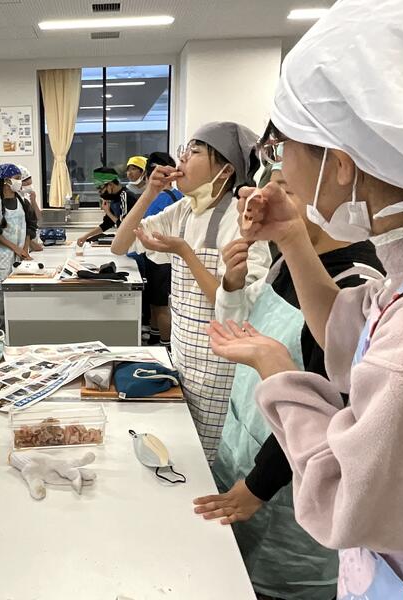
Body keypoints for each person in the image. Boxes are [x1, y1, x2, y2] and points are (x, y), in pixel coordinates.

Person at [205, 1, 403, 597]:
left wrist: (278, 370)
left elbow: (351, 504)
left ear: (341, 165)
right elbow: (352, 338)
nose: (277, 168)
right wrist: (293, 239)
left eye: (283, 148)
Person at [195, 157, 383, 600]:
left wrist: (257, 486)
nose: (265, 201)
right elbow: (240, 332)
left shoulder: (355, 284)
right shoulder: (289, 263)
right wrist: (232, 284)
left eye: (286, 189)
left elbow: (330, 414)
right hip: (241, 453)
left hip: (286, 485)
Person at [111, 122, 270, 463]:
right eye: (184, 150)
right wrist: (149, 194)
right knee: (184, 454)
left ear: (226, 169)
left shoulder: (241, 220)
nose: (182, 158)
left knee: (209, 462)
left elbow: (235, 312)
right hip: (183, 357)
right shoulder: (184, 210)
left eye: (195, 152)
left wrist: (184, 252)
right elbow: (120, 244)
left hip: (220, 371)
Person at [0, 163, 37, 327]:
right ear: (6, 181)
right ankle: (4, 328)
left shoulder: (24, 203)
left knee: (23, 292)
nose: (20, 182)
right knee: (5, 295)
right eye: (17, 178)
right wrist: (16, 248)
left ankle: (22, 326)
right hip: (2, 255)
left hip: (21, 255)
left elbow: (30, 226)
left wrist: (25, 249)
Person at [141, 151, 183, 348]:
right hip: (169, 258)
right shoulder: (180, 197)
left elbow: (143, 227)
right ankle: (155, 336)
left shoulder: (159, 199)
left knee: (161, 305)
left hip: (161, 259)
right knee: (157, 303)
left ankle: (165, 347)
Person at [77, 167, 139, 247]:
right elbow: (107, 224)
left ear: (110, 184)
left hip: (135, 242)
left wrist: (108, 212)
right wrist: (85, 236)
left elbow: (123, 226)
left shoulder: (125, 196)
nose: (100, 192)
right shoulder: (114, 198)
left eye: (100, 188)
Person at [17, 164, 44, 252]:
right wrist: (32, 244)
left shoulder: (25, 200)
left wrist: (33, 201)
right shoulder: (16, 202)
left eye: (30, 183)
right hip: (21, 246)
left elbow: (38, 218)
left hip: (29, 245)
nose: (30, 187)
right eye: (27, 184)